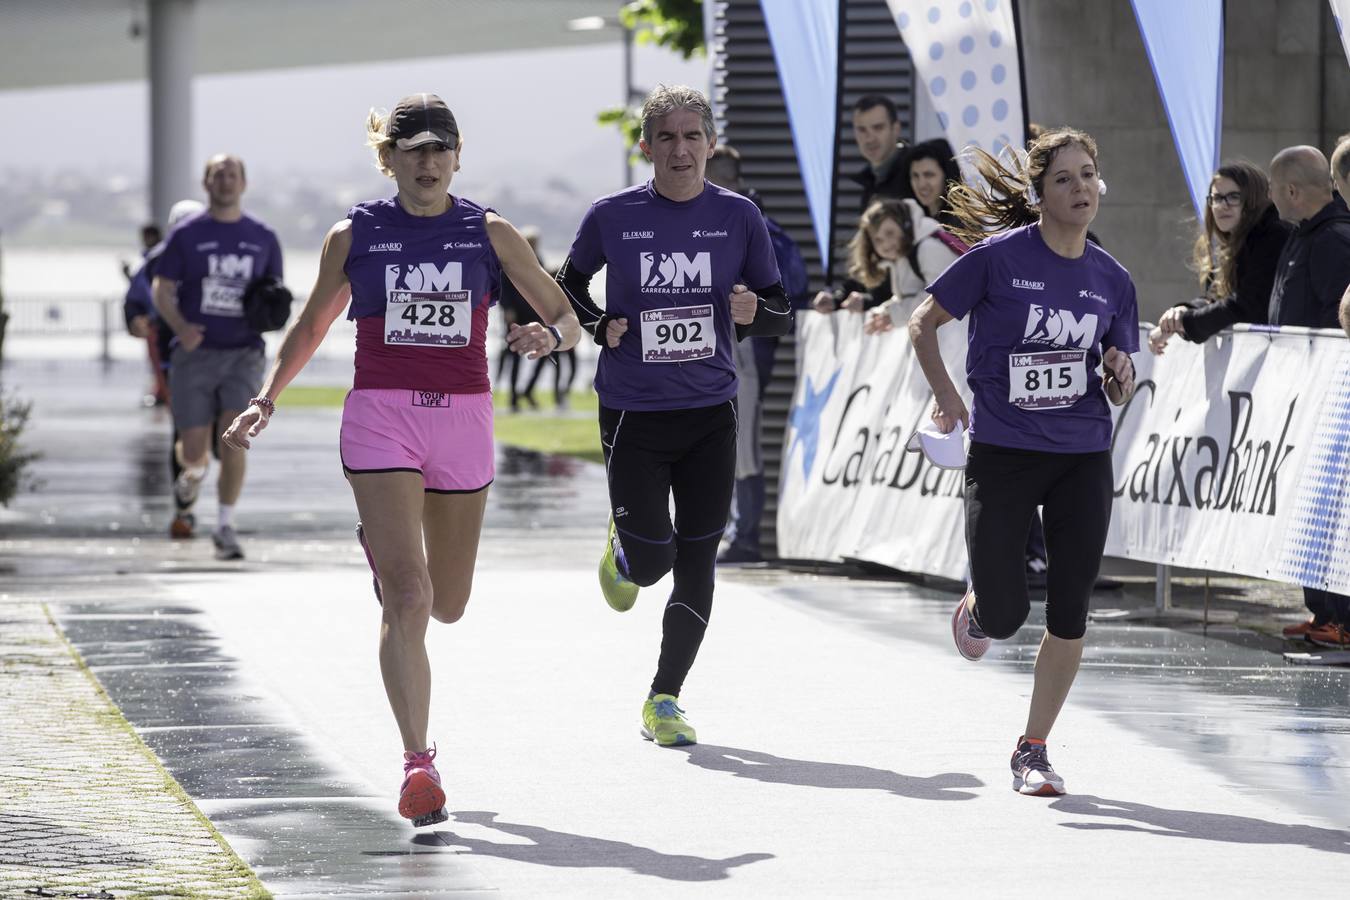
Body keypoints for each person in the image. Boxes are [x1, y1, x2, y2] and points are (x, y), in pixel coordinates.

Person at [221, 93, 581, 827]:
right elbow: (314, 321)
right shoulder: (355, 235)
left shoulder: (490, 232)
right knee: (408, 599)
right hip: (381, 418)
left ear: (458, 156)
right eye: (411, 147)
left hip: (464, 423)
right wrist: (267, 396)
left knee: (447, 604)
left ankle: (391, 559)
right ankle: (419, 765)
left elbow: (567, 315)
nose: (427, 159)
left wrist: (551, 339)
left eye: (439, 145)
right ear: (386, 158)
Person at [556, 84, 791, 746]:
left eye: (693, 137)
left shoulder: (739, 217)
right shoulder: (613, 215)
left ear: (711, 146)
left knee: (698, 557)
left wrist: (753, 312)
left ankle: (664, 697)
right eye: (667, 137)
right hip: (633, 409)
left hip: (710, 410)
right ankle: (625, 548)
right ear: (646, 146)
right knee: (653, 564)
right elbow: (567, 284)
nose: (681, 149)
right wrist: (600, 324)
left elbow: (778, 305)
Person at [909, 128, 1139, 796]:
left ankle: (1032, 749)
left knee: (1071, 611)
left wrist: (1121, 372)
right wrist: (950, 401)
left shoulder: (1113, 280)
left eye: (1089, 175)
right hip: (1004, 452)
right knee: (1008, 614)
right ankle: (979, 610)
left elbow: (1119, 379)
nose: (1080, 189)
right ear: (1040, 194)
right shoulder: (999, 259)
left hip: (1081, 457)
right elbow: (924, 322)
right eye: (1065, 179)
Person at [152, 155, 282, 558]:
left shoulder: (262, 235)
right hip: (196, 354)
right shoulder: (187, 234)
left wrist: (273, 311)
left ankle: (225, 526)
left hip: (243, 353)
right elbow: (161, 287)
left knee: (233, 439)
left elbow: (274, 290)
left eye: (232, 175)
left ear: (243, 183)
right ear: (206, 184)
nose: (225, 182)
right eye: (218, 176)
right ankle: (190, 476)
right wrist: (181, 328)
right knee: (193, 453)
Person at [704, 144, 808, 564]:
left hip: (742, 352)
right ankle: (727, 530)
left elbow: (788, 290)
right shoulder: (713, 219)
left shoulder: (754, 223)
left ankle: (745, 534)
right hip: (709, 351)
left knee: (742, 444)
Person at [1265, 145, 1350, 647]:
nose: (1274, 198)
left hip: (1329, 399)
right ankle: (1324, 611)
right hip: (1306, 397)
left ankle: (1340, 614)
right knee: (1310, 508)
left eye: (1276, 189)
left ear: (1292, 191)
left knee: (1331, 507)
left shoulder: (1334, 241)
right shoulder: (1304, 238)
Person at [1148, 162, 1290, 354]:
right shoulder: (1232, 243)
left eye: (1233, 197)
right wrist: (1183, 311)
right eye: (1216, 198)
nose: (1223, 205)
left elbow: (1245, 306)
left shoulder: (1272, 235)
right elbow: (1216, 297)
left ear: (1252, 199)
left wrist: (1185, 321)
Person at [849, 95, 912, 211]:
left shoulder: (915, 174)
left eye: (878, 128)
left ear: (896, 129)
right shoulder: (871, 180)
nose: (869, 139)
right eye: (862, 130)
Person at [904, 138, 964, 230]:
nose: (921, 184)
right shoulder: (911, 219)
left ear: (947, 176)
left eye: (929, 175)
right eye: (915, 176)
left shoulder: (962, 225)